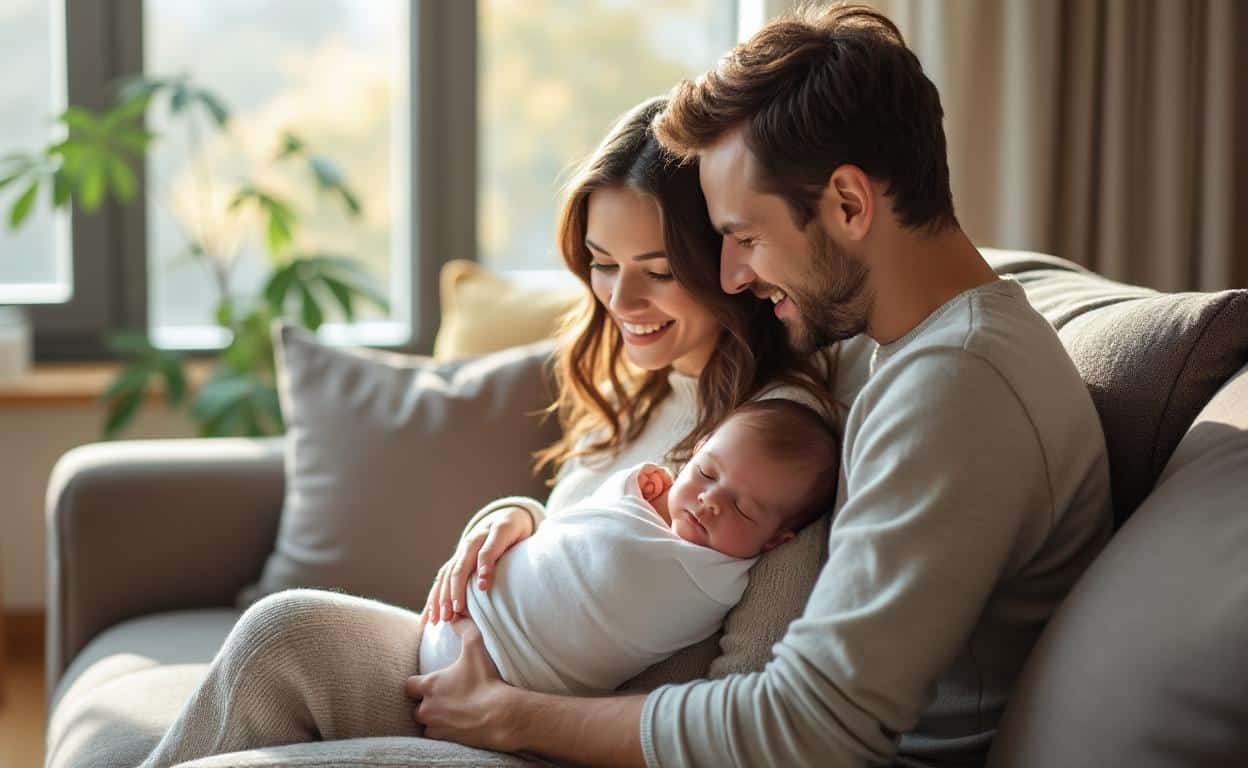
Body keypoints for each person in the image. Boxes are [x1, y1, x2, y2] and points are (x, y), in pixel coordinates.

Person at [405, 5, 1113, 767]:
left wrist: (510, 718)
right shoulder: (892, 349)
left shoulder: (958, 389)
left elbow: (809, 726)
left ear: (848, 203)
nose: (735, 274)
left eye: (745, 238)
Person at [135, 97, 838, 767]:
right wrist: (516, 516)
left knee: (280, 644)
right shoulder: (642, 385)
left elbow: (746, 707)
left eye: (657, 271)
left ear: (728, 263)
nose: (621, 300)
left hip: (557, 738)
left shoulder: (770, 449)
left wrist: (508, 713)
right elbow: (590, 550)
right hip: (477, 674)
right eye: (601, 263)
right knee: (282, 632)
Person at [419, 398, 838, 696]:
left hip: (511, 684)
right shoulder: (627, 401)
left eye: (743, 509)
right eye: (706, 473)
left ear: (776, 541)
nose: (709, 502)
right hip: (456, 608)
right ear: (696, 450)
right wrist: (513, 514)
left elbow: (738, 696)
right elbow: (567, 525)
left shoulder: (726, 578)